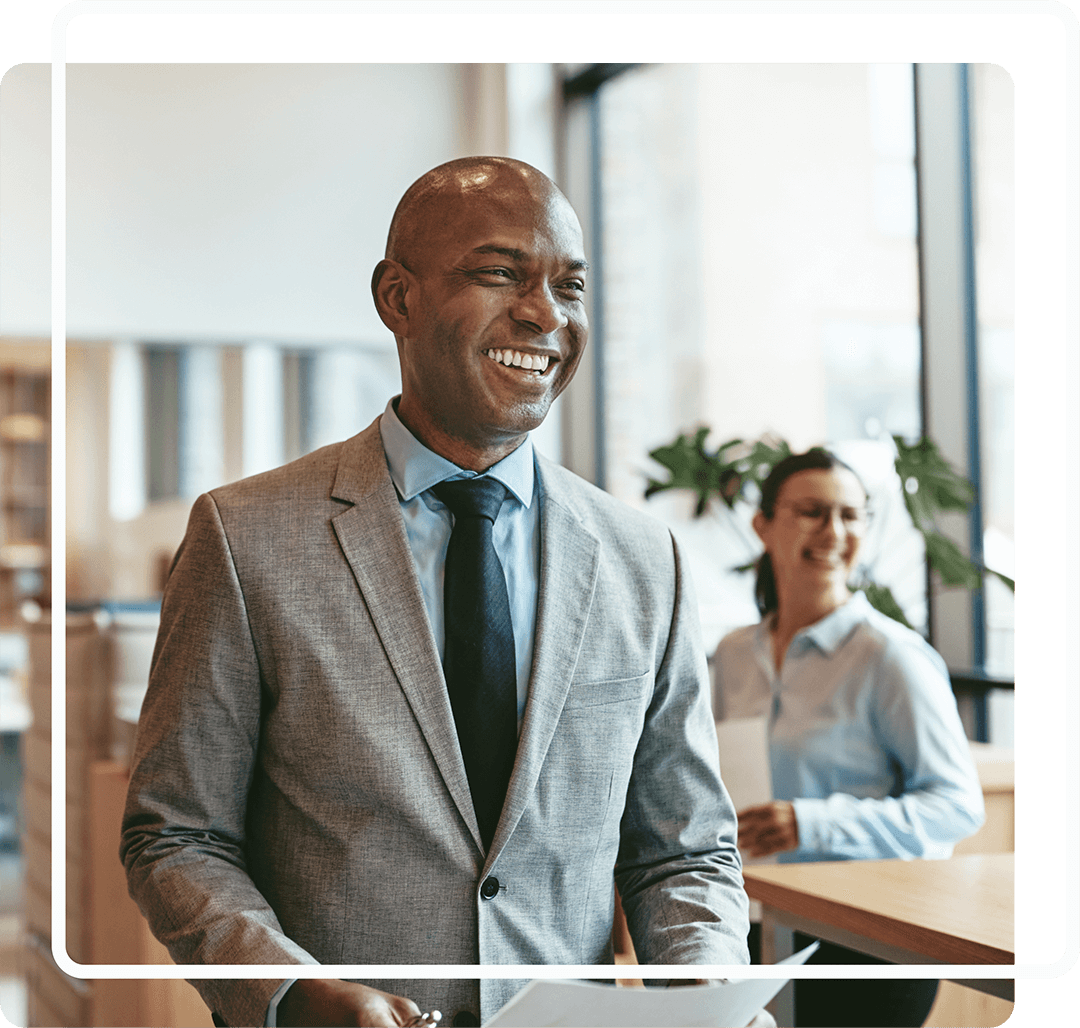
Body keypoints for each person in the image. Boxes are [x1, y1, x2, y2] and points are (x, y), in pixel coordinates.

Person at [122, 157, 763, 1028]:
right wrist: (291, 991)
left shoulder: (646, 559)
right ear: (398, 298)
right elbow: (176, 835)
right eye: (500, 273)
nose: (542, 313)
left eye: (569, 285)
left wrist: (709, 988)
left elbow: (682, 853)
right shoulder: (245, 538)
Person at [712, 448, 986, 1027]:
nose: (834, 531)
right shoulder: (735, 654)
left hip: (864, 945)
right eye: (811, 511)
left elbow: (956, 807)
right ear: (764, 525)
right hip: (753, 928)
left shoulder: (891, 658)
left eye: (851, 515)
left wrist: (811, 823)